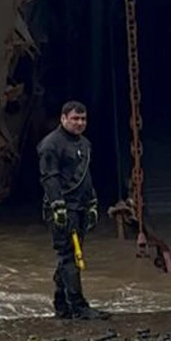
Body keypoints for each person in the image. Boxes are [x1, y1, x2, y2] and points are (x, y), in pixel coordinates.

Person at [37, 101, 111, 320]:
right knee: (69, 255)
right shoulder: (51, 144)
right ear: (63, 119)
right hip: (63, 207)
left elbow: (84, 176)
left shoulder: (85, 144)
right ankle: (78, 307)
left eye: (83, 119)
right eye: (75, 119)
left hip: (80, 206)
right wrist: (57, 206)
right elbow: (49, 177)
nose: (80, 123)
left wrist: (92, 203)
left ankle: (62, 305)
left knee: (67, 256)